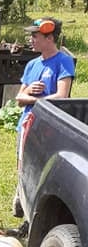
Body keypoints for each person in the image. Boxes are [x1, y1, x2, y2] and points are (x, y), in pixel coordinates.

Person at [12, 16, 75, 219]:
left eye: (35, 35)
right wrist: (29, 92)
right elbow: (19, 98)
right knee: (23, 166)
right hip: (27, 126)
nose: (31, 39)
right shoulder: (32, 65)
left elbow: (62, 96)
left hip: (48, 128)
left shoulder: (63, 62)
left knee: (42, 171)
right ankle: (23, 204)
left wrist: (34, 100)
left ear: (49, 38)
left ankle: (36, 214)